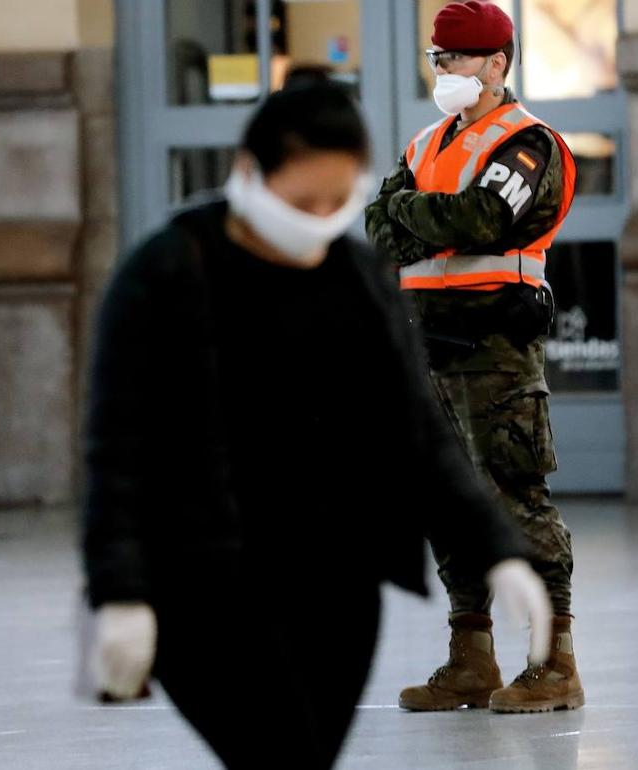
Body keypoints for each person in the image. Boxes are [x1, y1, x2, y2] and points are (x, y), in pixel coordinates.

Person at [82, 68, 552, 770]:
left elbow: (417, 435)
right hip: (201, 582)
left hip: (336, 584)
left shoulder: (358, 279)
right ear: (249, 172)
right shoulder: (166, 273)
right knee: (279, 754)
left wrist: (498, 548)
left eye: (340, 201)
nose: (319, 220)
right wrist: (118, 593)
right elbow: (117, 448)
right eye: (303, 200)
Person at [364, 0, 582, 714]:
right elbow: (380, 227)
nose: (444, 69)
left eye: (456, 58)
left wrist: (415, 214)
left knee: (517, 501)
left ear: (497, 64)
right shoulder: (426, 143)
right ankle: (471, 657)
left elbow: (483, 219)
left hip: (495, 351)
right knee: (447, 507)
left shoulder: (528, 144)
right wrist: (425, 220)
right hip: (426, 346)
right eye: (437, 57)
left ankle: (554, 665)